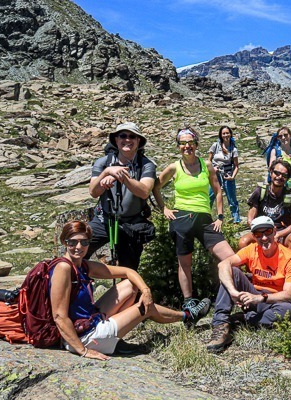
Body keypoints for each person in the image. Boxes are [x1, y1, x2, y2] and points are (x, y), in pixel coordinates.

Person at [50, 221, 209, 360]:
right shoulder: (63, 268)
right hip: (86, 337)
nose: (79, 247)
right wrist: (83, 351)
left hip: (88, 322)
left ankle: (118, 334)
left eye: (84, 242)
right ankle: (188, 316)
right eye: (73, 242)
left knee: (130, 285)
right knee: (146, 308)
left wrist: (145, 290)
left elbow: (127, 272)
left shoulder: (82, 265)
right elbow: (59, 316)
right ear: (64, 242)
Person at [152, 127, 236, 314]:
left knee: (231, 258)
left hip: (205, 219)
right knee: (185, 263)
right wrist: (164, 208)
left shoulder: (206, 165)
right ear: (178, 146)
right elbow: (155, 187)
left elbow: (217, 190)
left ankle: (232, 293)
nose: (187, 146)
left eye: (190, 143)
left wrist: (220, 216)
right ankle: (189, 303)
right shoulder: (174, 167)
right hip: (181, 218)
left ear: (196, 144)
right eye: (183, 143)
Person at [206, 216, 291, 353]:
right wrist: (233, 292)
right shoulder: (252, 249)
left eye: (267, 232)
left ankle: (244, 319)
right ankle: (221, 325)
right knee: (233, 271)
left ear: (274, 231)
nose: (264, 238)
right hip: (253, 294)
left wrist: (260, 298)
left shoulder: (290, 257)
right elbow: (223, 264)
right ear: (254, 237)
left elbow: (288, 295)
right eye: (258, 234)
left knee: (288, 310)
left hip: (273, 300)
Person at [86, 122, 156, 271]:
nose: (127, 140)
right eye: (123, 136)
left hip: (132, 224)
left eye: (132, 136)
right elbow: (93, 192)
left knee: (129, 269)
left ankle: (129, 293)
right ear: (116, 140)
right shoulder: (103, 163)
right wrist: (107, 172)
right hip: (103, 220)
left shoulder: (147, 165)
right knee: (79, 249)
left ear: (138, 141)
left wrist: (121, 176)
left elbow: (144, 191)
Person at [238, 159, 291, 254]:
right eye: (276, 173)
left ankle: (284, 265)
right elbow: (250, 218)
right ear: (271, 172)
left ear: (287, 178)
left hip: (281, 231)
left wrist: (277, 234)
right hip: (261, 230)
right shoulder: (260, 192)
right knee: (243, 243)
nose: (279, 177)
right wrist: (260, 234)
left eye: (284, 175)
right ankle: (254, 266)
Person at [208, 126, 241, 223]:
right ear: (221, 135)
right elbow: (208, 161)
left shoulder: (233, 149)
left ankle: (236, 220)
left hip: (227, 175)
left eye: (227, 133)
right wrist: (213, 169)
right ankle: (205, 217)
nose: (226, 135)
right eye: (224, 133)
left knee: (231, 198)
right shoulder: (215, 146)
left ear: (230, 134)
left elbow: (236, 166)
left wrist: (232, 177)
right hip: (215, 176)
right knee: (210, 197)